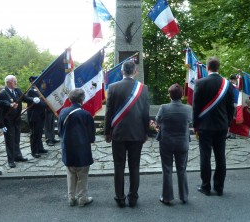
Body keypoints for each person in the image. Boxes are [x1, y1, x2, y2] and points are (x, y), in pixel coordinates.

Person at [104, 60, 150, 208]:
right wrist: (145, 132)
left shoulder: (112, 87)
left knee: (119, 166)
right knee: (134, 166)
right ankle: (133, 198)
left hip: (118, 133)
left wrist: (107, 132)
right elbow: (145, 113)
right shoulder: (143, 88)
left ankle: (120, 197)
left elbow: (108, 112)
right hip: (137, 133)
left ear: (122, 71)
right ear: (135, 71)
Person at [193, 57, 235, 196]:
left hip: (205, 127)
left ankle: (206, 187)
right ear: (219, 68)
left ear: (207, 67)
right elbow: (231, 107)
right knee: (220, 157)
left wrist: (195, 125)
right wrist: (228, 123)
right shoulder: (227, 84)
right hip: (222, 126)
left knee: (205, 157)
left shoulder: (200, 83)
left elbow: (196, 107)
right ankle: (219, 187)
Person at [155, 83, 192, 205]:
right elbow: (190, 122)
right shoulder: (188, 108)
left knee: (167, 169)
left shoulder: (164, 107)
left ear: (169, 95)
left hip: (167, 142)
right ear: (181, 95)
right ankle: (184, 196)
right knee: (182, 169)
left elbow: (158, 121)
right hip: (182, 143)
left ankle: (167, 197)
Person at [58, 88, 95, 207]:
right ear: (82, 99)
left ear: (70, 99)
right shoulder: (86, 115)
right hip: (82, 151)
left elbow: (60, 132)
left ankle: (71, 197)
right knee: (82, 175)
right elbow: (91, 137)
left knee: (70, 174)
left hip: (67, 150)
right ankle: (82, 198)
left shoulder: (63, 112)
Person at [0, 75, 32, 168]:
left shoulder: (17, 90)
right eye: (13, 81)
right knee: (10, 141)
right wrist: (1, 124)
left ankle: (18, 156)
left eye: (15, 81)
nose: (16, 83)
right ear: (8, 82)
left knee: (17, 139)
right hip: (8, 121)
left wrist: (34, 100)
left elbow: (24, 98)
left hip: (17, 119)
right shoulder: (3, 93)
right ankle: (11, 160)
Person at [26, 76, 48, 158]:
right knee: (34, 133)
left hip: (41, 114)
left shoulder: (40, 90)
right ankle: (34, 151)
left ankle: (40, 148)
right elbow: (28, 99)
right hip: (34, 116)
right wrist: (44, 103)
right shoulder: (31, 91)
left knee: (39, 132)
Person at [226, 74, 238, 139]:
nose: (233, 81)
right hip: (229, 104)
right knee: (229, 118)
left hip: (236, 104)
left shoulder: (237, 87)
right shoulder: (228, 86)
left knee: (234, 119)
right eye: (231, 79)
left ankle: (233, 133)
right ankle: (228, 133)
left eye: (234, 80)